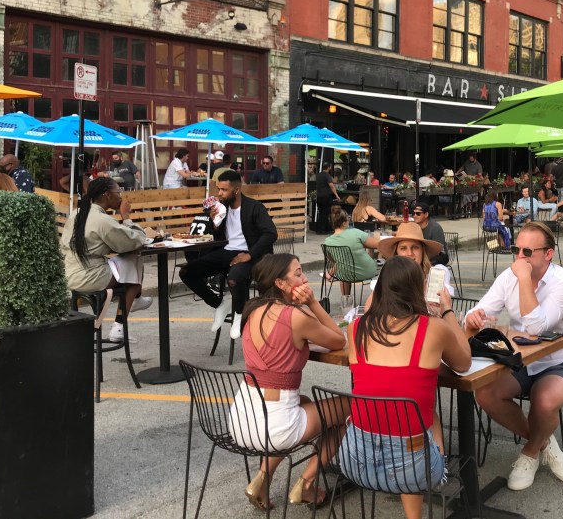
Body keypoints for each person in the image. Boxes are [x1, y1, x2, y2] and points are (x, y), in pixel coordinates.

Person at [343, 256, 470, 519]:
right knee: (426, 417)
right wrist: (446, 311)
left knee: (405, 415)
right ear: (420, 288)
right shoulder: (433, 328)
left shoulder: (356, 327)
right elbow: (463, 363)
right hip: (413, 468)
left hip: (354, 460)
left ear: (380, 288)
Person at [466, 222, 563, 491]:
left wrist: (523, 278)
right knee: (485, 393)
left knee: (543, 399)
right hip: (523, 359)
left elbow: (536, 326)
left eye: (527, 251)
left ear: (548, 254)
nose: (519, 257)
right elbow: (479, 311)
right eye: (516, 249)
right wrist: (474, 317)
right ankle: (544, 441)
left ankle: (530, 452)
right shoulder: (508, 277)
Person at [231, 253, 347, 510]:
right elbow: (339, 340)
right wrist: (313, 303)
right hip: (274, 426)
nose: (304, 278)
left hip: (243, 417)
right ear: (280, 284)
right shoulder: (295, 316)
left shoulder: (251, 311)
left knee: (306, 403)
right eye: (298, 273)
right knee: (348, 410)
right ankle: (306, 484)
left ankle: (261, 480)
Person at [180, 170, 277, 339]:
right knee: (187, 272)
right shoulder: (222, 208)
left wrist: (249, 254)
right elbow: (219, 238)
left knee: (234, 278)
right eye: (218, 189)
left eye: (224, 190)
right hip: (226, 252)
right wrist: (215, 224)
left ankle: (239, 315)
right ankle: (219, 304)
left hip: (250, 256)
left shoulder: (254, 207)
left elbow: (270, 233)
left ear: (237, 190)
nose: (219, 193)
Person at [60, 177, 151, 342]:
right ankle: (120, 324)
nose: (121, 196)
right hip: (90, 277)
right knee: (134, 259)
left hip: (68, 273)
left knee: (127, 266)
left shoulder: (77, 213)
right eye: (118, 192)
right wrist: (126, 216)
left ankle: (134, 299)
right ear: (107, 195)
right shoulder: (103, 220)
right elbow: (134, 241)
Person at [369, 222, 454, 316]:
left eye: (415, 247)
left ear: (423, 251)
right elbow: (369, 308)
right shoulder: (390, 274)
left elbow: (441, 313)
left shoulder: (436, 275)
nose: (409, 253)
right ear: (396, 253)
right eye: (403, 248)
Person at [324, 209, 379, 295]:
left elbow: (333, 260)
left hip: (345, 274)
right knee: (370, 249)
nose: (349, 221)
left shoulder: (327, 242)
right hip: (366, 272)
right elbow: (377, 244)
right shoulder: (355, 232)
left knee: (342, 266)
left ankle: (346, 300)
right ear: (343, 223)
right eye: (348, 219)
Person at [411, 202, 448, 266]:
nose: (415, 216)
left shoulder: (435, 228)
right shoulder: (414, 227)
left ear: (426, 214)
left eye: (418, 213)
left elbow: (438, 249)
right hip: (422, 254)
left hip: (438, 255)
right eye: (413, 213)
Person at [315, 162, 339, 234]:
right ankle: (325, 229)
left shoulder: (318, 175)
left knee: (321, 213)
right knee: (327, 213)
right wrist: (336, 195)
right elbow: (331, 185)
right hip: (326, 196)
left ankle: (319, 229)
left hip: (319, 196)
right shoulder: (327, 175)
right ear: (328, 167)